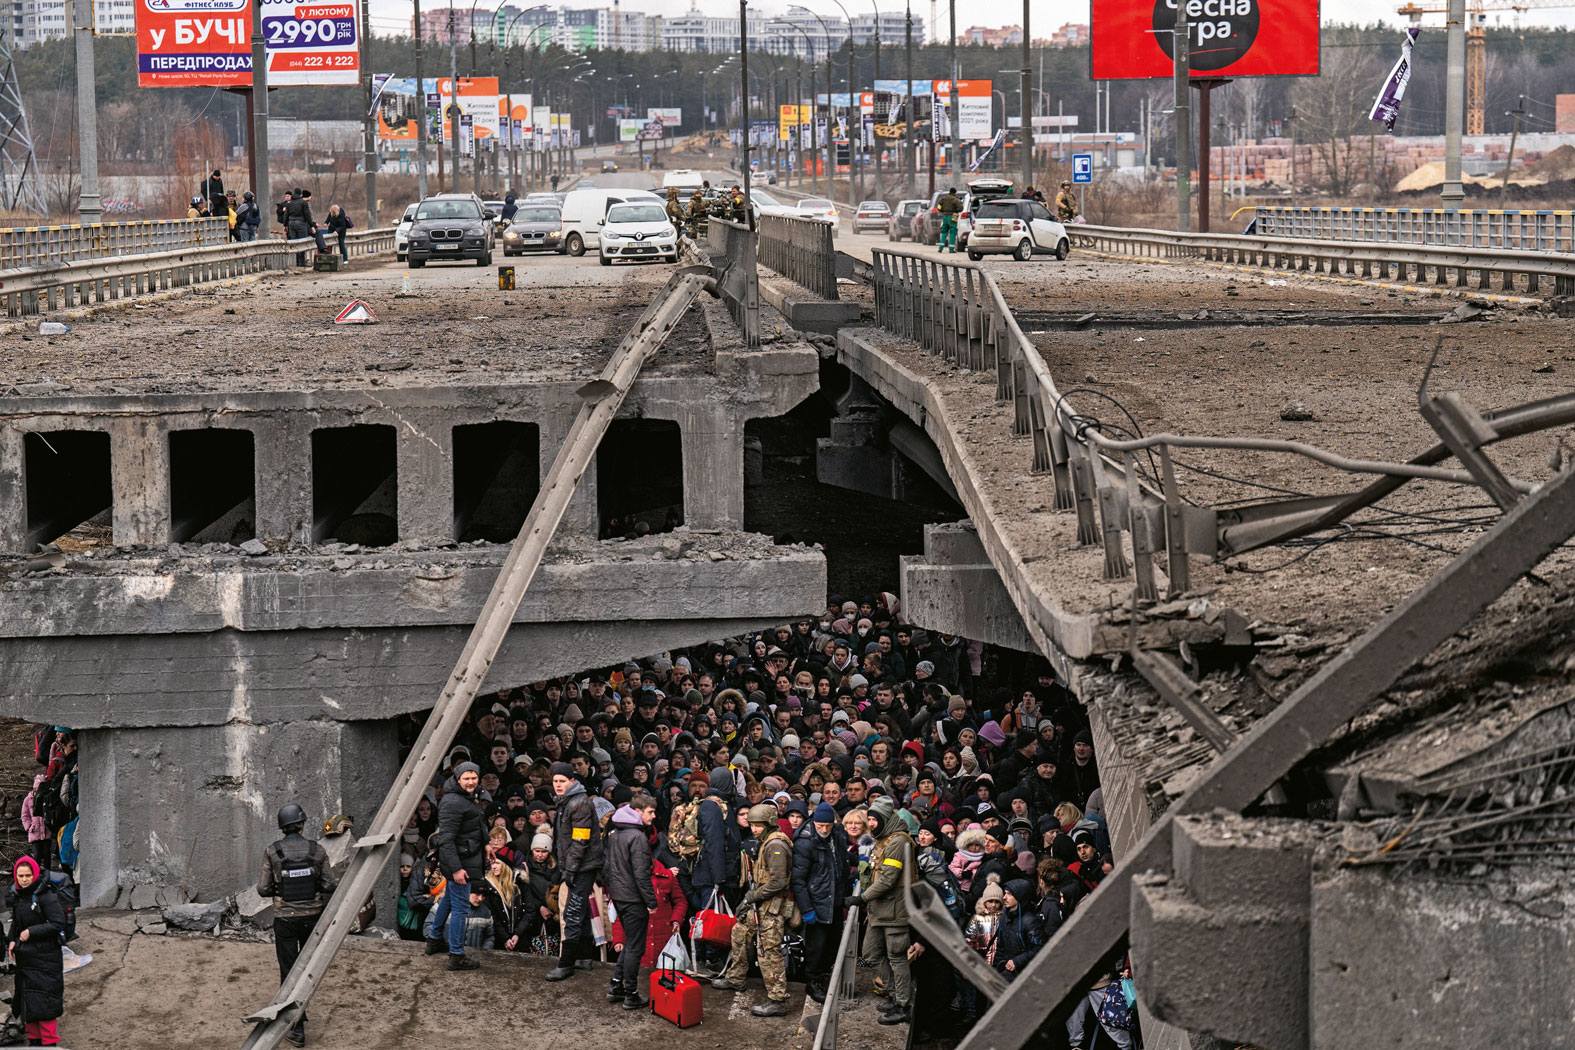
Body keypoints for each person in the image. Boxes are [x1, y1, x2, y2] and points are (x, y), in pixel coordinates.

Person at [257, 803, 338, 1047]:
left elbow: (262, 889)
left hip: (285, 919)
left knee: (289, 971)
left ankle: (296, 1027)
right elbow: (329, 885)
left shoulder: (272, 851)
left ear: (282, 827)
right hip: (312, 917)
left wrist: (279, 888)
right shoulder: (318, 850)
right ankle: (301, 1012)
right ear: (302, 824)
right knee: (308, 970)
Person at [712, 803, 794, 1016]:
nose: (754, 829)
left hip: (771, 906)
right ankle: (736, 977)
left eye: (758, 825)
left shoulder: (776, 845)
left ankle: (777, 999)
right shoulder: (765, 842)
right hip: (760, 903)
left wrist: (750, 897)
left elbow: (777, 882)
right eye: (752, 825)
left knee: (768, 951)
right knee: (739, 933)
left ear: (768, 824)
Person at [849, 796, 913, 1026]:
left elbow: (888, 879)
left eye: (875, 819)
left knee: (897, 957)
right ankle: (895, 995)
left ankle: (903, 1004)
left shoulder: (899, 842)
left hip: (895, 912)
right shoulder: (883, 840)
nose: (871, 824)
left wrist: (861, 898)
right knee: (871, 953)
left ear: (886, 819)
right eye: (870, 819)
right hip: (878, 911)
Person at [547, 760, 603, 981]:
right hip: (579, 864)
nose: (558, 785)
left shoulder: (577, 803)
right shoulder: (568, 801)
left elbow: (580, 841)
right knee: (581, 909)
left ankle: (566, 963)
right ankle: (584, 957)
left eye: (562, 781)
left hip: (582, 865)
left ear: (572, 781)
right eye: (555, 781)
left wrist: (569, 870)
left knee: (572, 910)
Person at [428, 762, 485, 972]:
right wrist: (456, 869)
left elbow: (478, 825)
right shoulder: (453, 802)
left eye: (474, 777)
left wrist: (486, 844)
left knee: (450, 900)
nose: (471, 782)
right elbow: (446, 840)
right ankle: (456, 955)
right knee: (461, 908)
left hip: (465, 857)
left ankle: (434, 939)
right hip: (460, 863)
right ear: (458, 779)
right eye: (466, 778)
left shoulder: (468, 797)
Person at [603, 795, 657, 1009]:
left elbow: (607, 868)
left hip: (619, 896)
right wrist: (651, 901)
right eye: (650, 812)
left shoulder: (615, 834)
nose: (653, 816)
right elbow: (641, 874)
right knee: (636, 946)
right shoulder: (638, 837)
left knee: (630, 943)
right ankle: (630, 994)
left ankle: (616, 986)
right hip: (634, 898)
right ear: (638, 811)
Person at [791, 801, 848, 1003]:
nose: (824, 830)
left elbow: (841, 865)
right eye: (820, 826)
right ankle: (813, 982)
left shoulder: (838, 836)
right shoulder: (806, 842)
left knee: (832, 944)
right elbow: (798, 879)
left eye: (827, 826)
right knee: (816, 947)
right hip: (817, 901)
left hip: (834, 900)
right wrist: (807, 908)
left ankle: (824, 977)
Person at [7, 856, 64, 1048]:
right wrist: (12, 941)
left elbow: (57, 924)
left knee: (45, 1005)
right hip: (26, 960)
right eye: (20, 876)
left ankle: (48, 1045)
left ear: (35, 875)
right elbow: (16, 923)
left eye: (28, 875)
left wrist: (31, 932)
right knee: (29, 1004)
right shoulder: (19, 897)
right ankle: (34, 1043)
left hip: (45, 960)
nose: (24, 879)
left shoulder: (46, 897)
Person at [936, 188, 962, 253]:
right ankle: (951, 249)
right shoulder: (956, 200)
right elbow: (960, 208)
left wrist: (943, 211)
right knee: (953, 232)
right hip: (952, 216)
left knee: (944, 232)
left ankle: (940, 248)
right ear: (955, 192)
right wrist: (956, 210)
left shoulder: (943, 199)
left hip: (945, 216)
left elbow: (938, 207)